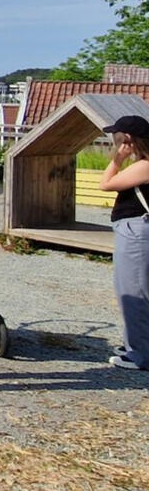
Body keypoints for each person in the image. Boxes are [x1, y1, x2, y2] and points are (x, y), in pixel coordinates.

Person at [97, 114, 149, 372]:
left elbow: (105, 184)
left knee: (134, 292)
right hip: (136, 229)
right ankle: (137, 345)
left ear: (127, 139)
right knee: (132, 288)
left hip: (137, 230)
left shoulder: (144, 165)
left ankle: (140, 354)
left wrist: (118, 159)